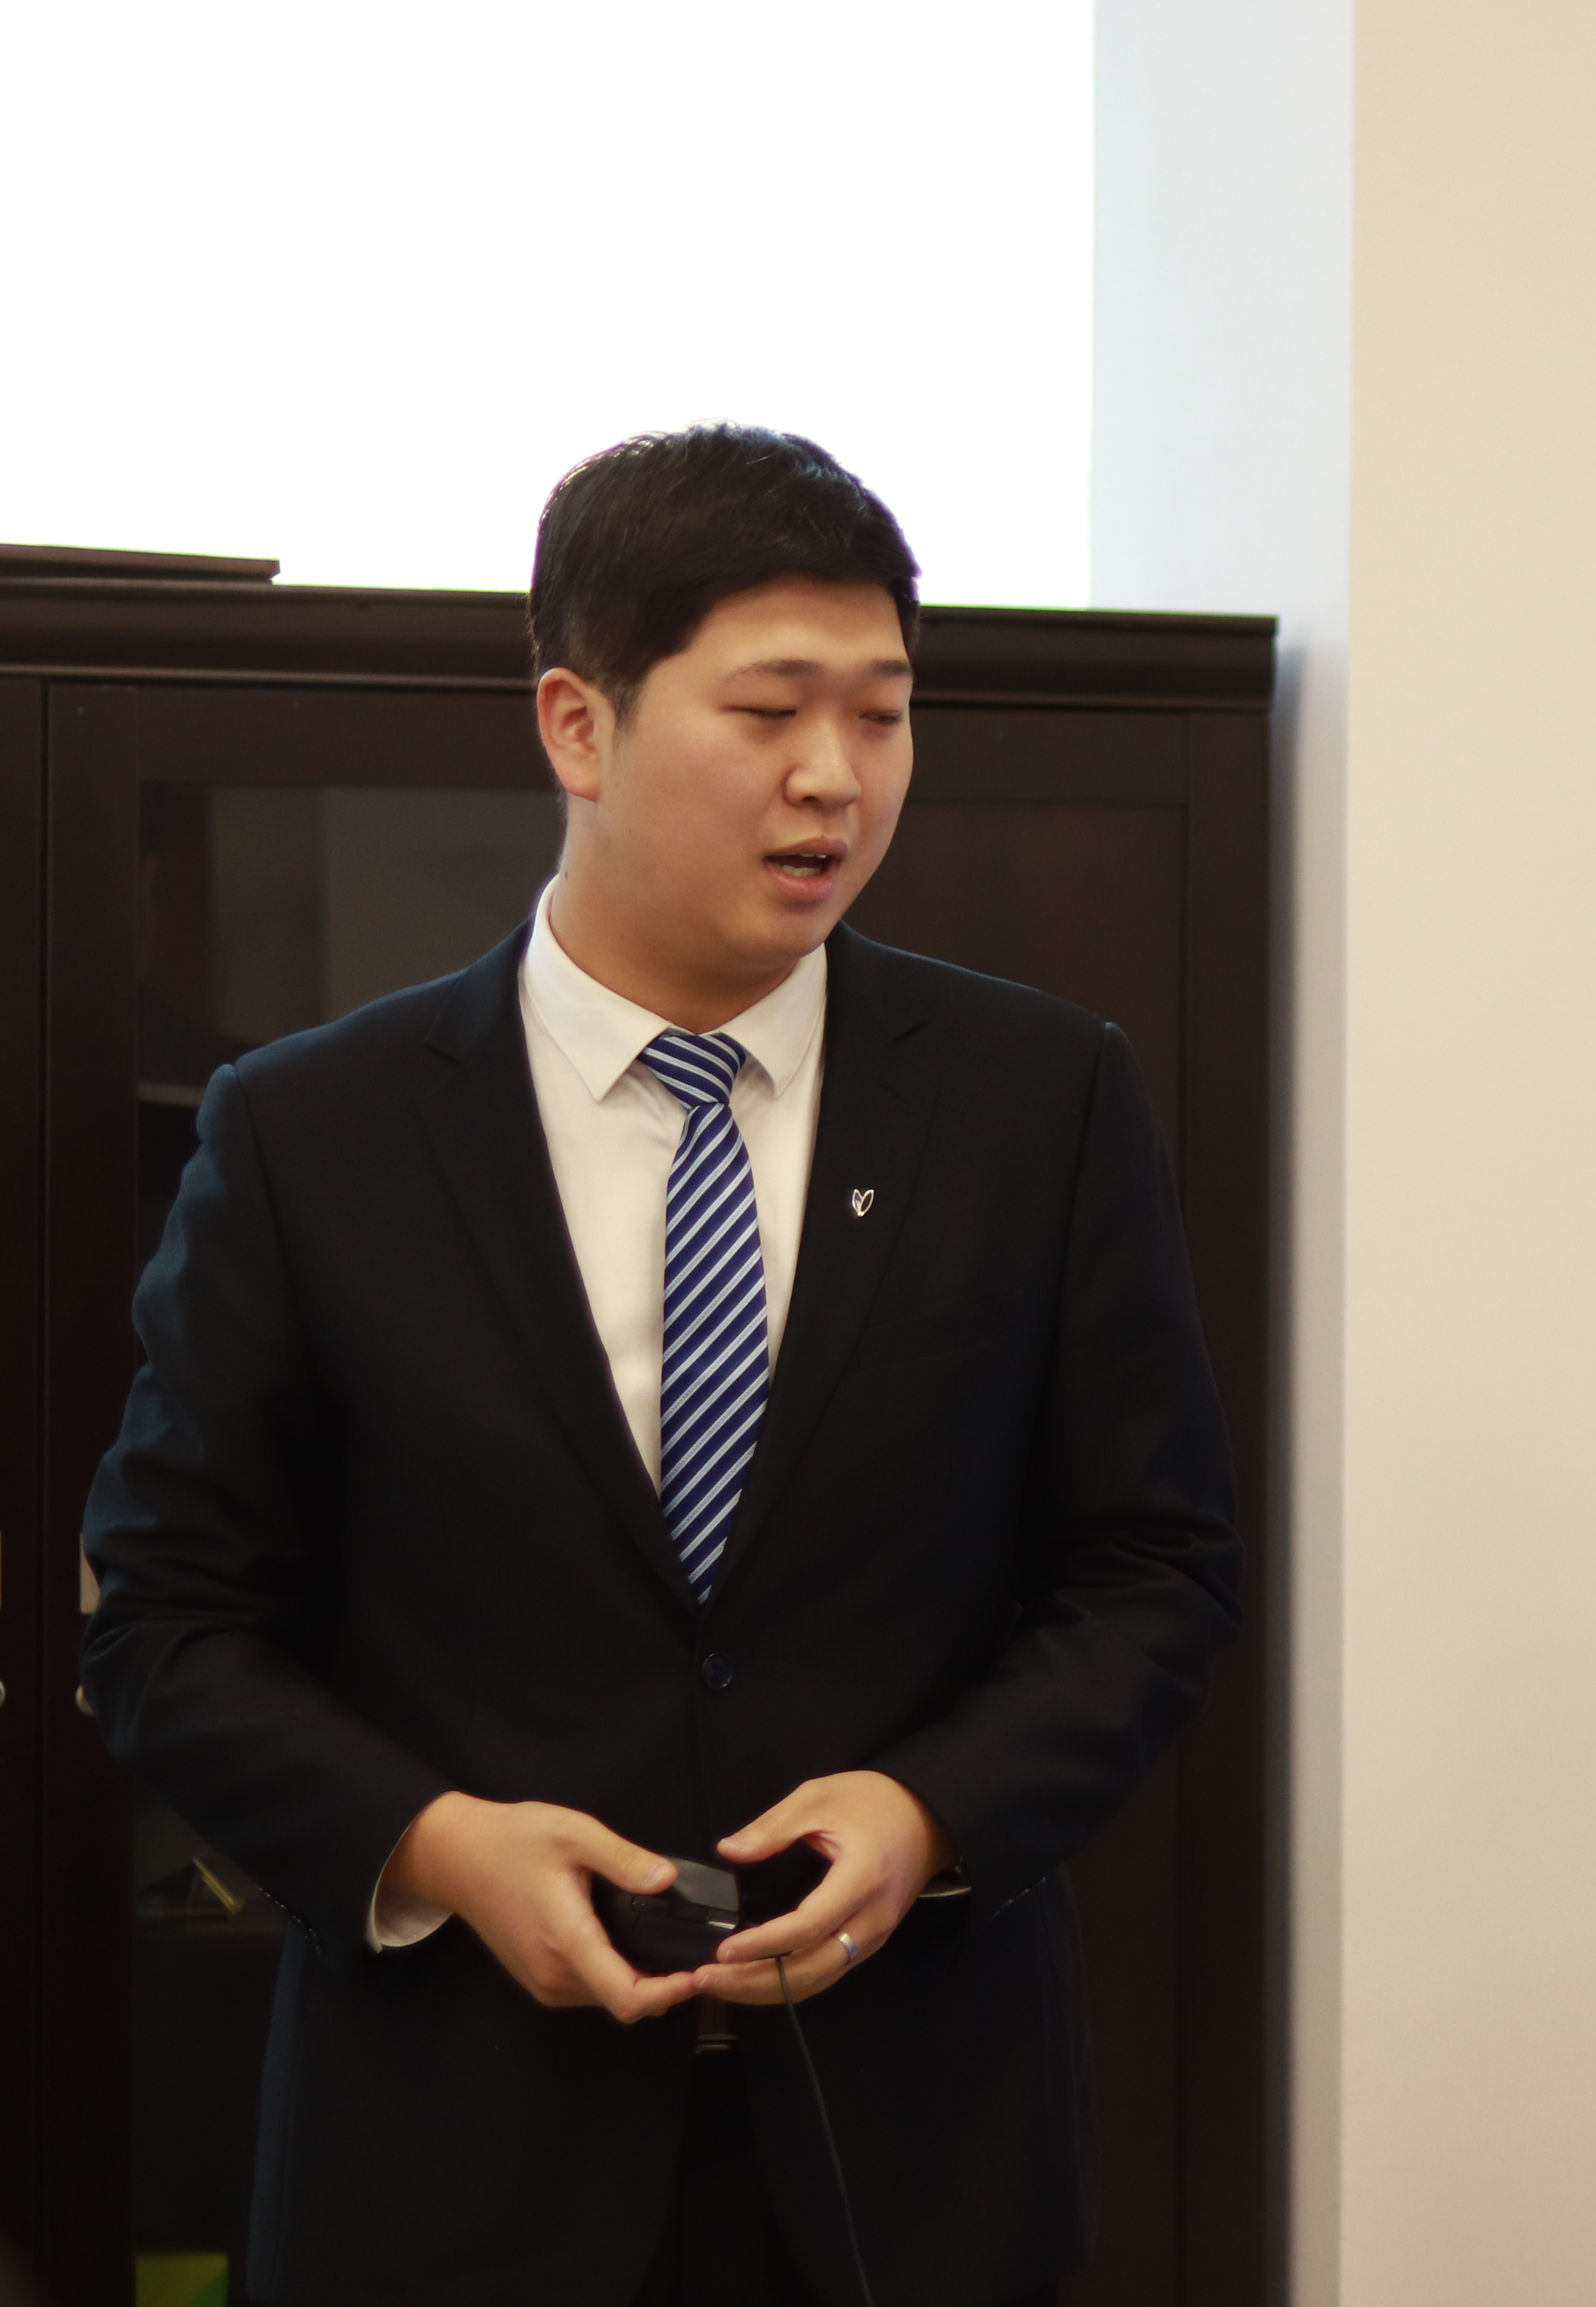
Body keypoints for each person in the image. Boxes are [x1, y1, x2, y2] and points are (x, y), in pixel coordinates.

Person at [79, 424, 1241, 2307]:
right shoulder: (313, 1131)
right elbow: (166, 1623)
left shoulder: (1042, 1098)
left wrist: (932, 1813)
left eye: (883, 715)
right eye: (771, 710)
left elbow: (1154, 1567)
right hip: (453, 2157)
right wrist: (437, 1848)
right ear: (579, 726)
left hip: (909, 2155)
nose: (835, 775)